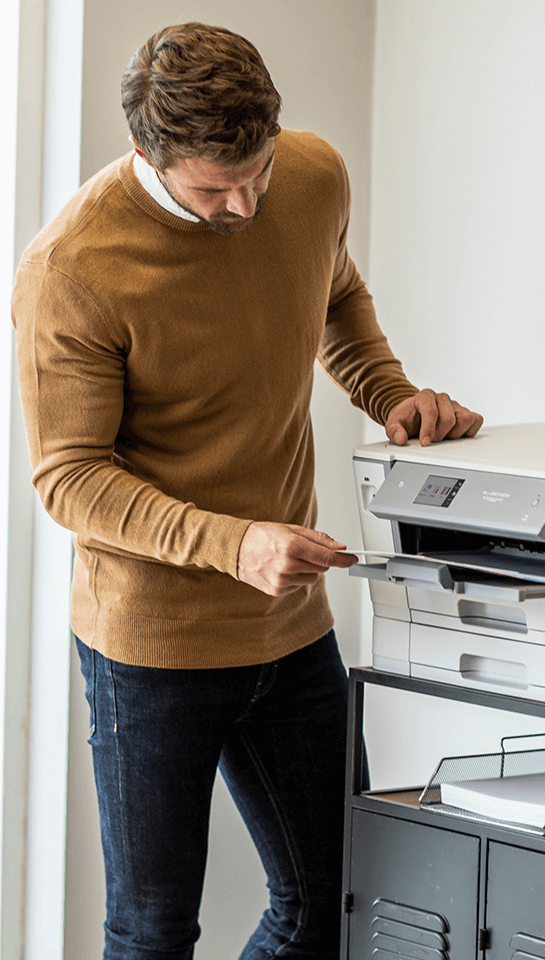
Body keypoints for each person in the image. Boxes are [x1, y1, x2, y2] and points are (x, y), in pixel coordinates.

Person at [11, 21, 481, 960]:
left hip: (290, 628)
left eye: (256, 171)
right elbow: (70, 478)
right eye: (212, 188)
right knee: (151, 934)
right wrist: (235, 543)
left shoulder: (310, 178)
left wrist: (388, 394)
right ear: (145, 153)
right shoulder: (72, 270)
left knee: (332, 905)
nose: (244, 204)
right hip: (150, 643)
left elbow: (333, 293)